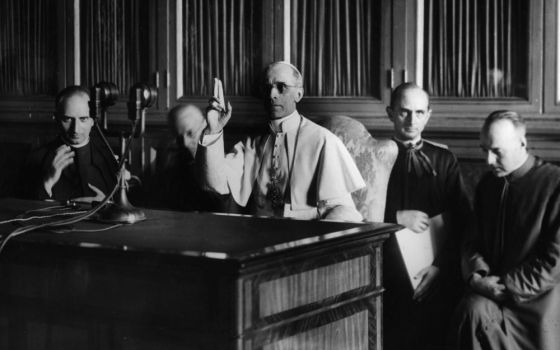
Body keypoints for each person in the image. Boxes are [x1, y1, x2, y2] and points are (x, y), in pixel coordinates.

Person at [198, 61, 365, 221]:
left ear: (298, 94)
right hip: (257, 238)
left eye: (281, 87)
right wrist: (213, 130)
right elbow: (216, 184)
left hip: (303, 241)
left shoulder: (323, 141)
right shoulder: (253, 142)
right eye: (267, 88)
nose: (272, 95)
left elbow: (342, 210)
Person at [452, 110, 560, 350]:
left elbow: (554, 262)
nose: (488, 161)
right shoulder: (487, 185)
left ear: (522, 143)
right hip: (490, 294)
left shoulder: (555, 184)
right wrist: (476, 277)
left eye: (497, 151)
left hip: (537, 303)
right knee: (471, 310)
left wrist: (503, 287)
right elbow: (471, 241)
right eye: (484, 150)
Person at [383, 83, 471, 350]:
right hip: (389, 270)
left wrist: (440, 267)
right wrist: (395, 216)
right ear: (390, 113)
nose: (412, 120)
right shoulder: (373, 155)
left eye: (419, 112)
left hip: (437, 268)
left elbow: (463, 220)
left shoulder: (444, 159)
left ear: (428, 115)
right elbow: (355, 213)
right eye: (404, 112)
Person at [21, 86, 118, 203]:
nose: (75, 129)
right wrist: (47, 182)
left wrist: (107, 204)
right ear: (56, 118)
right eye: (67, 119)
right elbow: (22, 208)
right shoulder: (36, 158)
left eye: (83, 119)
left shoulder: (109, 158)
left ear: (93, 120)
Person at [146, 104, 224, 211]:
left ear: (204, 125)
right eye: (178, 137)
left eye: (190, 133)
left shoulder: (219, 161)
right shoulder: (168, 161)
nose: (185, 143)